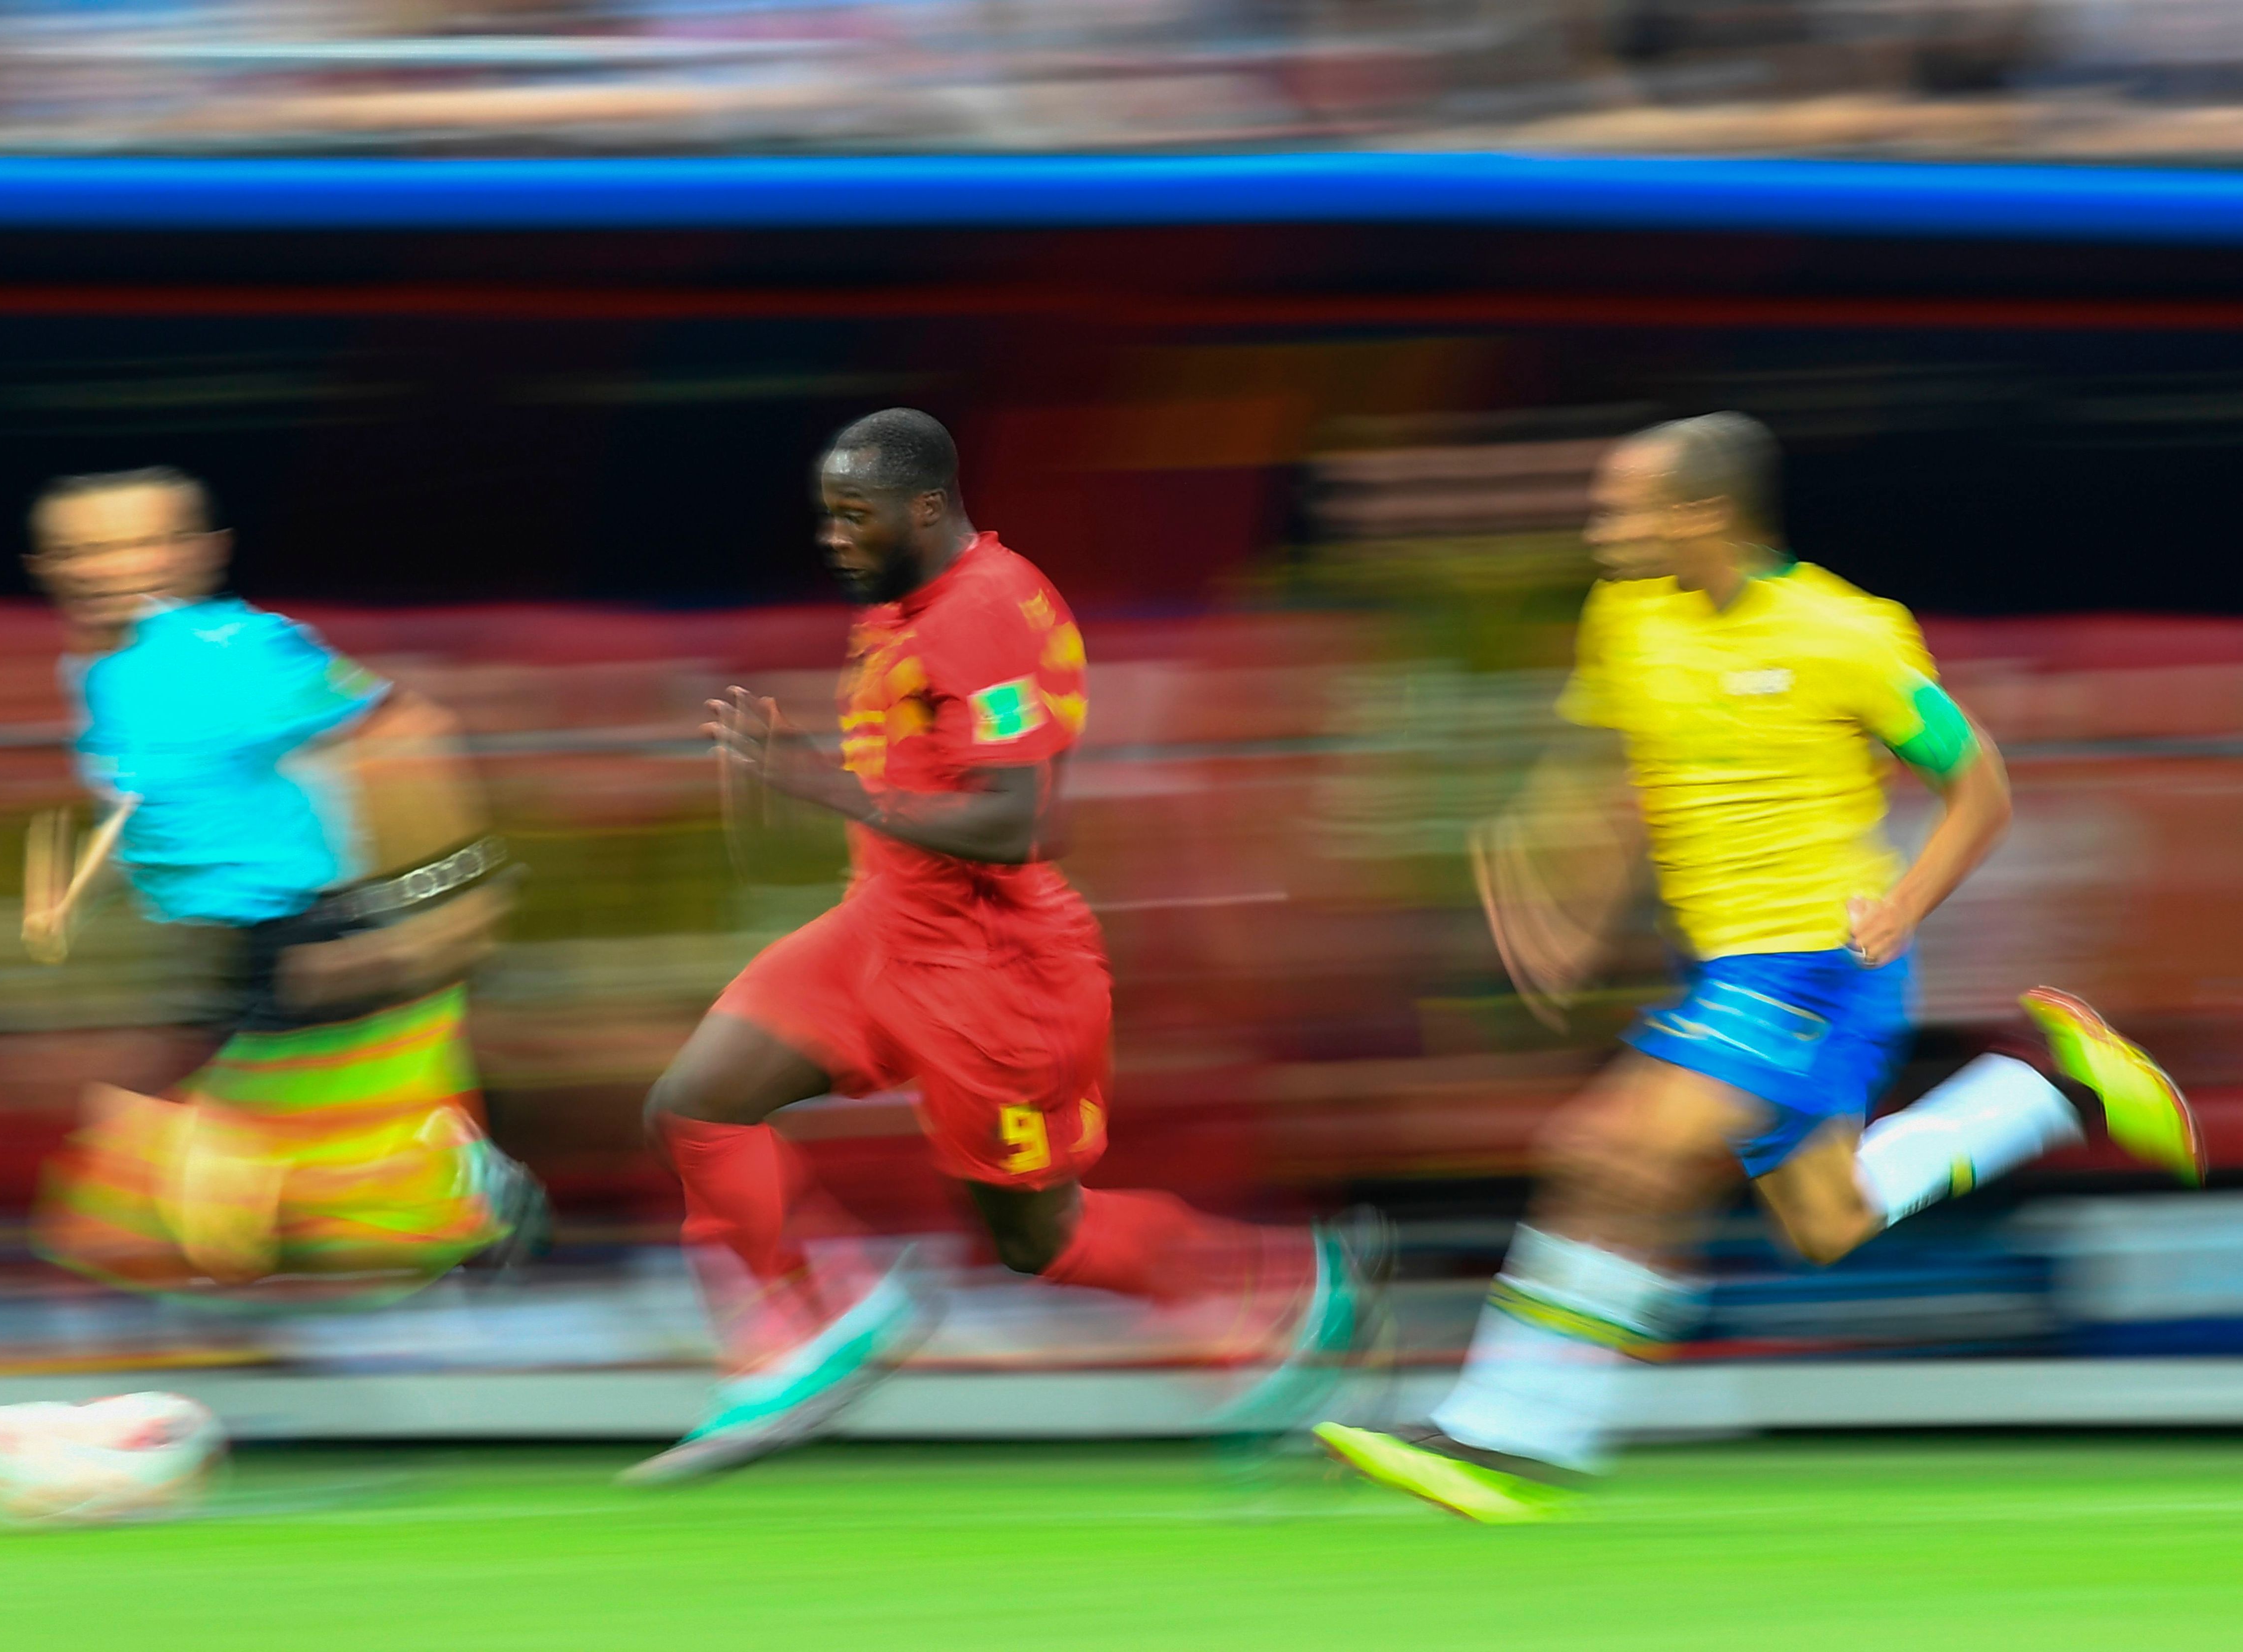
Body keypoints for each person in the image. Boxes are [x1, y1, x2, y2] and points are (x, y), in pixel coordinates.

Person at [1318, 413, 2200, 1521]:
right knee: (1824, 1222)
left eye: (1622, 507)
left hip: (1817, 963)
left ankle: (1508, 1433)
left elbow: (1980, 782)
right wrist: (1567, 900)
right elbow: (1625, 771)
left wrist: (1905, 904)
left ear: (1700, 515)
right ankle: (2052, 1091)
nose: (1600, 530)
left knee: (1608, 1149)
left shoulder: (1846, 634)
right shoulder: (1628, 616)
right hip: (1727, 967)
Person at [626, 409, 1383, 1484]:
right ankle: (822, 1323)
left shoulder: (987, 615)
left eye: (855, 517)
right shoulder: (901, 605)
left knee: (1039, 1241)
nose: (834, 538)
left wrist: (810, 782)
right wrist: (769, 780)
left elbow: (1015, 825)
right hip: (880, 929)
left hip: (993, 971)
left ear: (926, 506)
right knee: (695, 1107)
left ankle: (1288, 1284)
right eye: (827, 517)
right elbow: (881, 797)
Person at [21, 466, 548, 1299]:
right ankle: (423, 1193)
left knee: (134, 1208)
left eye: (135, 544)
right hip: (239, 955)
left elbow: (410, 734)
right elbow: (171, 804)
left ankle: (442, 1185)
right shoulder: (105, 675)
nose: (102, 568)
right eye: (79, 551)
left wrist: (435, 918)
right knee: (163, 1215)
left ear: (198, 555)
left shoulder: (232, 651)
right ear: (47, 566)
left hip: (319, 944)